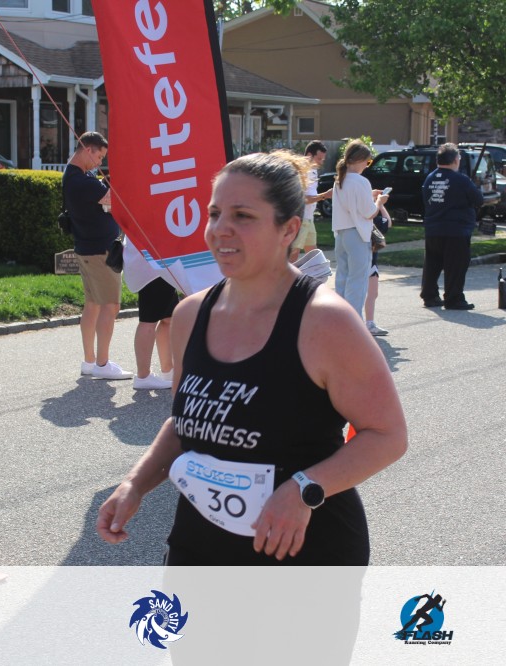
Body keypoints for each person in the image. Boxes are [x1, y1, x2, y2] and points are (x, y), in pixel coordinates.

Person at [96, 150, 408, 565]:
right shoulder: (190, 315)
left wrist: (303, 488)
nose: (220, 229)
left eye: (242, 216)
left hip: (302, 552)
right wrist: (135, 484)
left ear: (288, 229)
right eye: (214, 214)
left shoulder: (325, 322)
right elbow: (187, 421)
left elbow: (387, 435)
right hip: (200, 546)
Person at [63, 131, 132, 380]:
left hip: (86, 248)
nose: (100, 163)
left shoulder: (74, 176)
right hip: (100, 251)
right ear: (87, 149)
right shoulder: (84, 182)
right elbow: (117, 202)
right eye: (99, 156)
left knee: (92, 304)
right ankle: (102, 364)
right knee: (111, 305)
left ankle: (90, 361)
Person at [420, 143, 483, 310]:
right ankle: (454, 298)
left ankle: (429, 295)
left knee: (432, 264)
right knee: (456, 266)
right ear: (455, 160)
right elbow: (478, 200)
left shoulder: (430, 178)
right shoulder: (461, 180)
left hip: (433, 228)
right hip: (456, 230)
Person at [332, 140, 390, 318]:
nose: (367, 165)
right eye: (368, 161)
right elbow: (369, 213)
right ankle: (353, 320)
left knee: (342, 278)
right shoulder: (361, 181)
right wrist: (379, 201)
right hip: (357, 234)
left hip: (341, 234)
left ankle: (338, 318)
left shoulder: (339, 180)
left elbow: (351, 203)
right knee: (357, 281)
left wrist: (369, 195)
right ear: (360, 159)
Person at [122, 238, 179, 390]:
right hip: (153, 264)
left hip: (157, 262)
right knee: (148, 320)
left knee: (168, 318)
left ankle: (168, 371)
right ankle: (143, 376)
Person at [290, 140, 331, 263]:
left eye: (323, 159)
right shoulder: (301, 172)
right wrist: (324, 196)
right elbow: (303, 199)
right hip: (300, 219)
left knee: (314, 255)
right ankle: (284, 275)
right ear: (309, 155)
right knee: (293, 254)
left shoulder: (313, 170)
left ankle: (316, 274)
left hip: (309, 219)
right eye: (319, 158)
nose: (321, 162)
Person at [364, 203, 391, 336]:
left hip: (368, 261)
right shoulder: (372, 219)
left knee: (371, 293)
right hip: (368, 262)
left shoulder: (360, 216)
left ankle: (368, 323)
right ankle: (367, 323)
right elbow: (388, 222)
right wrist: (380, 204)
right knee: (370, 293)